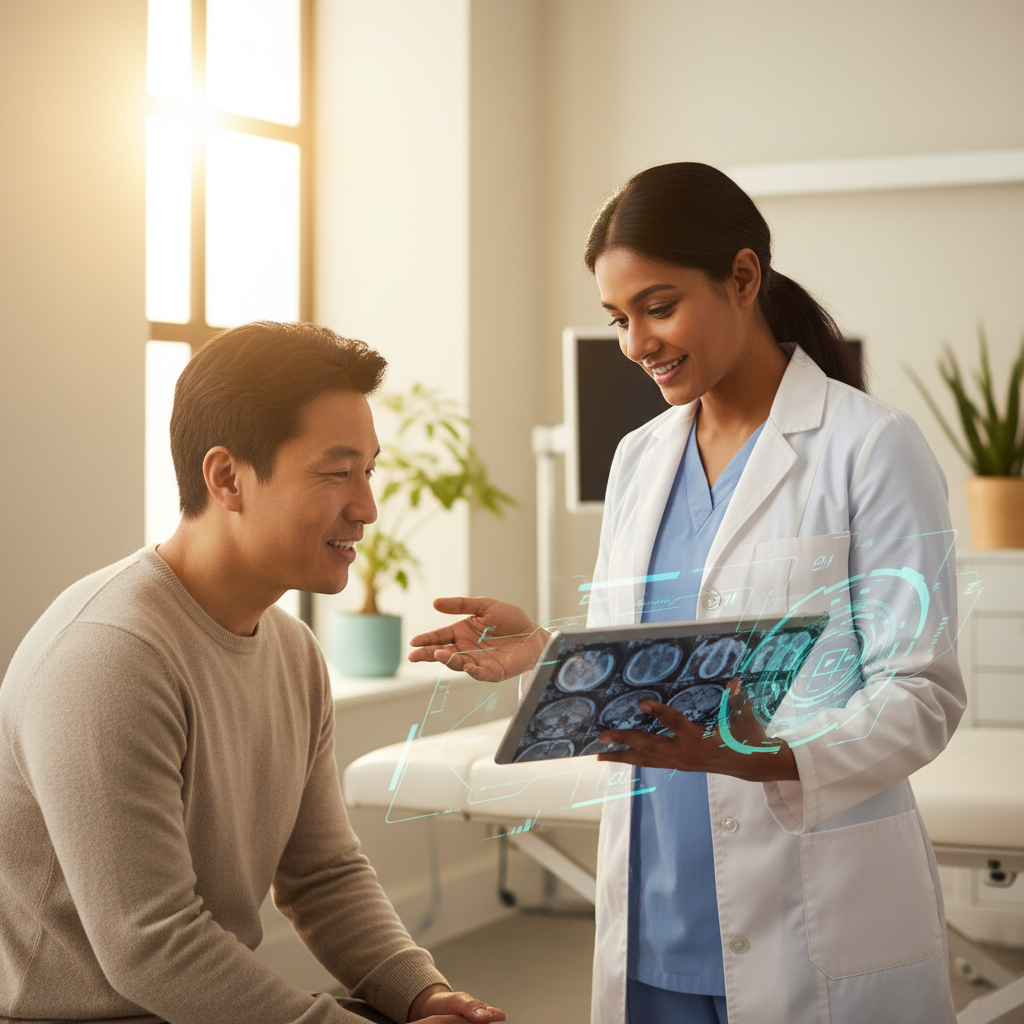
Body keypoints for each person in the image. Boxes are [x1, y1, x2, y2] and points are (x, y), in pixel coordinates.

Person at [409, 163, 965, 1024]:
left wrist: (771, 756)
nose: (636, 342)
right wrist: (549, 652)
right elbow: (650, 657)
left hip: (808, 908)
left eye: (658, 307)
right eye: (618, 318)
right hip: (655, 906)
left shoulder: (869, 446)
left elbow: (922, 690)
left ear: (742, 277)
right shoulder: (640, 457)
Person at [0, 322, 506, 1024]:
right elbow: (152, 946)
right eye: (336, 473)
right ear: (227, 478)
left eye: (369, 471)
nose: (367, 508)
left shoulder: (292, 651)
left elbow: (323, 875)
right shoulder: (107, 657)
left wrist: (421, 995)